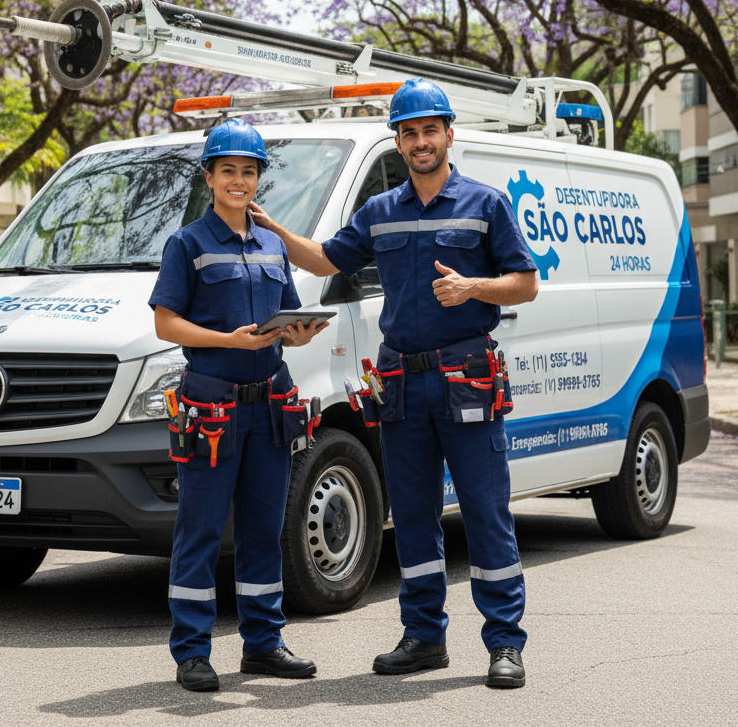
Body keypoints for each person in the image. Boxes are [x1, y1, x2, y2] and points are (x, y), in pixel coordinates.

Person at [248, 78, 538, 689]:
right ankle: (424, 637)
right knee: (411, 516)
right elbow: (327, 259)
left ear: (449, 134)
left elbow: (525, 283)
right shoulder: (380, 212)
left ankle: (504, 644)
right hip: (403, 383)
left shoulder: (486, 204)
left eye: (430, 129)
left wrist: (473, 288)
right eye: (408, 132)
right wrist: (273, 228)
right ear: (399, 142)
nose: (420, 141)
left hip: (466, 378)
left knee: (486, 512)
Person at [149, 118, 328, 693]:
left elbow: (291, 315)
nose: (239, 181)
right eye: (228, 170)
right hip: (212, 407)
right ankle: (193, 652)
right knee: (199, 530)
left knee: (263, 528)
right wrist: (230, 341)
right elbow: (165, 322)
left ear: (258, 180)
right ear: (209, 176)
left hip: (268, 406)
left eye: (249, 172)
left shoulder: (274, 244)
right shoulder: (187, 244)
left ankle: (264, 644)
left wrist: (296, 335)